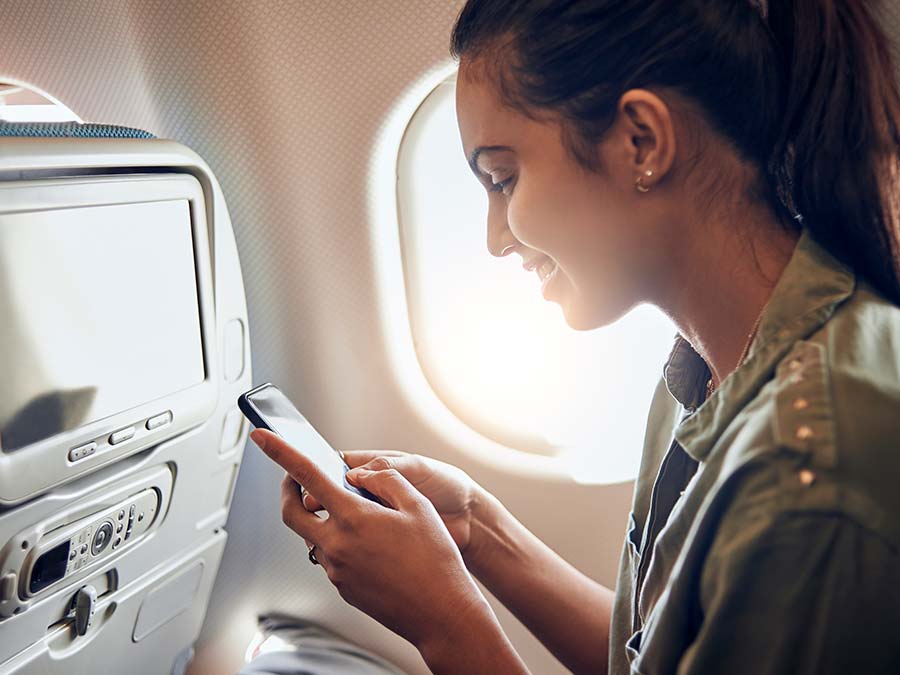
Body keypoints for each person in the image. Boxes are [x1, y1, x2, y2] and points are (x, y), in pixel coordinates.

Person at [246, 0, 900, 672]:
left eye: (503, 179)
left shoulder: (812, 473)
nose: (495, 239)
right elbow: (655, 658)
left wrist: (441, 619)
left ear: (641, 141)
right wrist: (477, 525)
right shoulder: (701, 370)